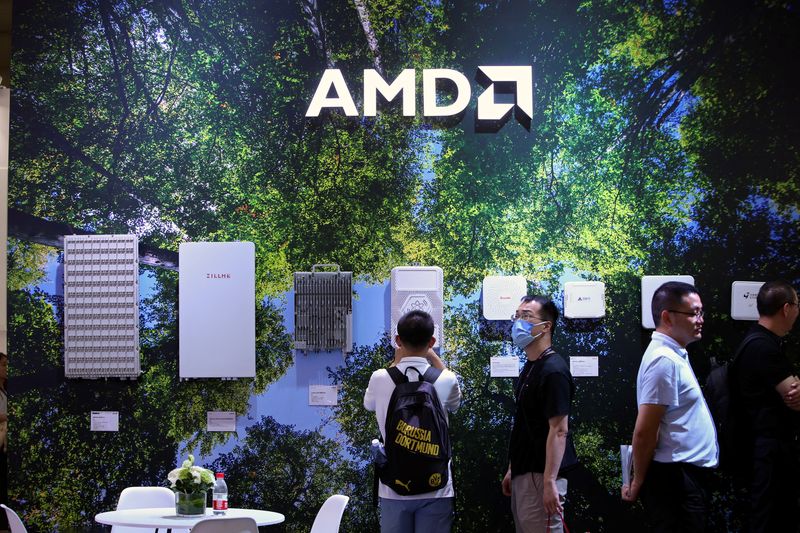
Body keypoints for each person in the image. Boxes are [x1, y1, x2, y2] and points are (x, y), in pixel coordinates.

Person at [621, 281, 718, 532]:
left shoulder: (674, 355)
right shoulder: (664, 361)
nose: (700, 319)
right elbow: (645, 430)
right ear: (667, 317)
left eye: (701, 312)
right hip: (677, 482)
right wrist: (638, 480)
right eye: (693, 313)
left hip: (685, 479)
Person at [364, 310, 462, 533]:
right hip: (437, 488)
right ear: (432, 341)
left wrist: (395, 363)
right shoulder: (446, 378)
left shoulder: (379, 378)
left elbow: (369, 405)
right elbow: (455, 404)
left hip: (393, 487)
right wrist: (434, 358)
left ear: (398, 340)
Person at [501, 295, 578, 533]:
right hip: (525, 472)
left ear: (546, 326)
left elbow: (559, 430)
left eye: (526, 316)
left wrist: (549, 482)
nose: (518, 322)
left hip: (542, 475)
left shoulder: (554, 370)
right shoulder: (531, 365)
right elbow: (525, 423)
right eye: (517, 316)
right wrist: (513, 468)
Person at [730, 280, 800, 532]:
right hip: (770, 454)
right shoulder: (764, 347)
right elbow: (795, 398)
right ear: (786, 308)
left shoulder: (755, 341)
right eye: (797, 305)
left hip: (764, 450)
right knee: (769, 519)